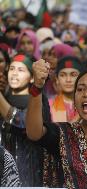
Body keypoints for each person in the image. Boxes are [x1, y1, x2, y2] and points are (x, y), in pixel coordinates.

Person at [0, 54, 50, 186]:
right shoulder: (5, 97)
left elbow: (21, 122)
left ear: (32, 77)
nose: (14, 74)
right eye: (12, 68)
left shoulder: (37, 101)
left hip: (26, 172)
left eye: (21, 70)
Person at [48, 56, 83, 122]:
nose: (68, 80)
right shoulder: (48, 105)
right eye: (63, 75)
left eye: (73, 75)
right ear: (57, 79)